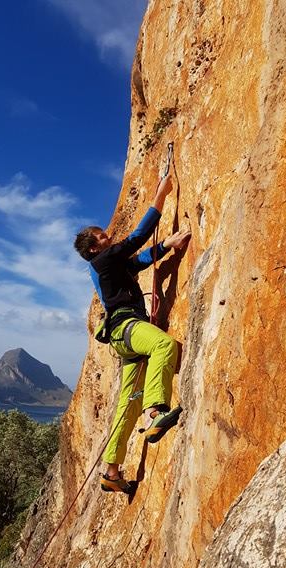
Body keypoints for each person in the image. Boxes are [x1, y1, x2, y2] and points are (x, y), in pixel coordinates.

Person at [74, 174, 191, 493]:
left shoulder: (110, 267)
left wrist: (169, 245)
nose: (108, 235)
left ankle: (111, 470)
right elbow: (139, 238)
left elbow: (139, 260)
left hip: (122, 338)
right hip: (128, 328)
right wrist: (160, 196)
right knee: (164, 346)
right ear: (94, 247)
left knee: (126, 404)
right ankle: (155, 411)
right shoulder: (103, 260)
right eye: (102, 235)